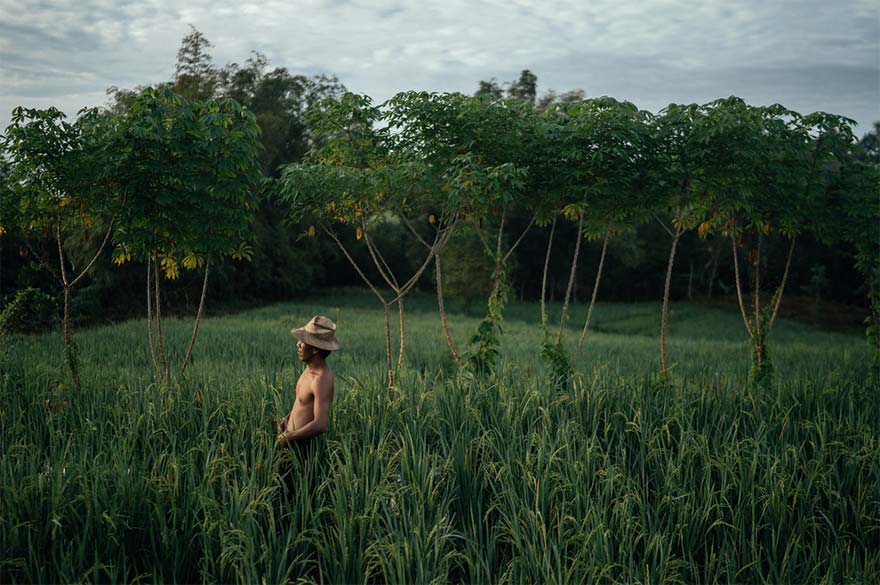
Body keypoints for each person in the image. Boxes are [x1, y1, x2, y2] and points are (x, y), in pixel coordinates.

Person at [276, 315, 339, 469]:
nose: (298, 344)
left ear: (315, 348)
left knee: (296, 491)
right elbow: (302, 403)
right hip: (290, 442)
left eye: (303, 342)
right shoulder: (308, 369)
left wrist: (289, 436)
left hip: (302, 448)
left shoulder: (321, 380)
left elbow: (320, 424)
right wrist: (288, 418)